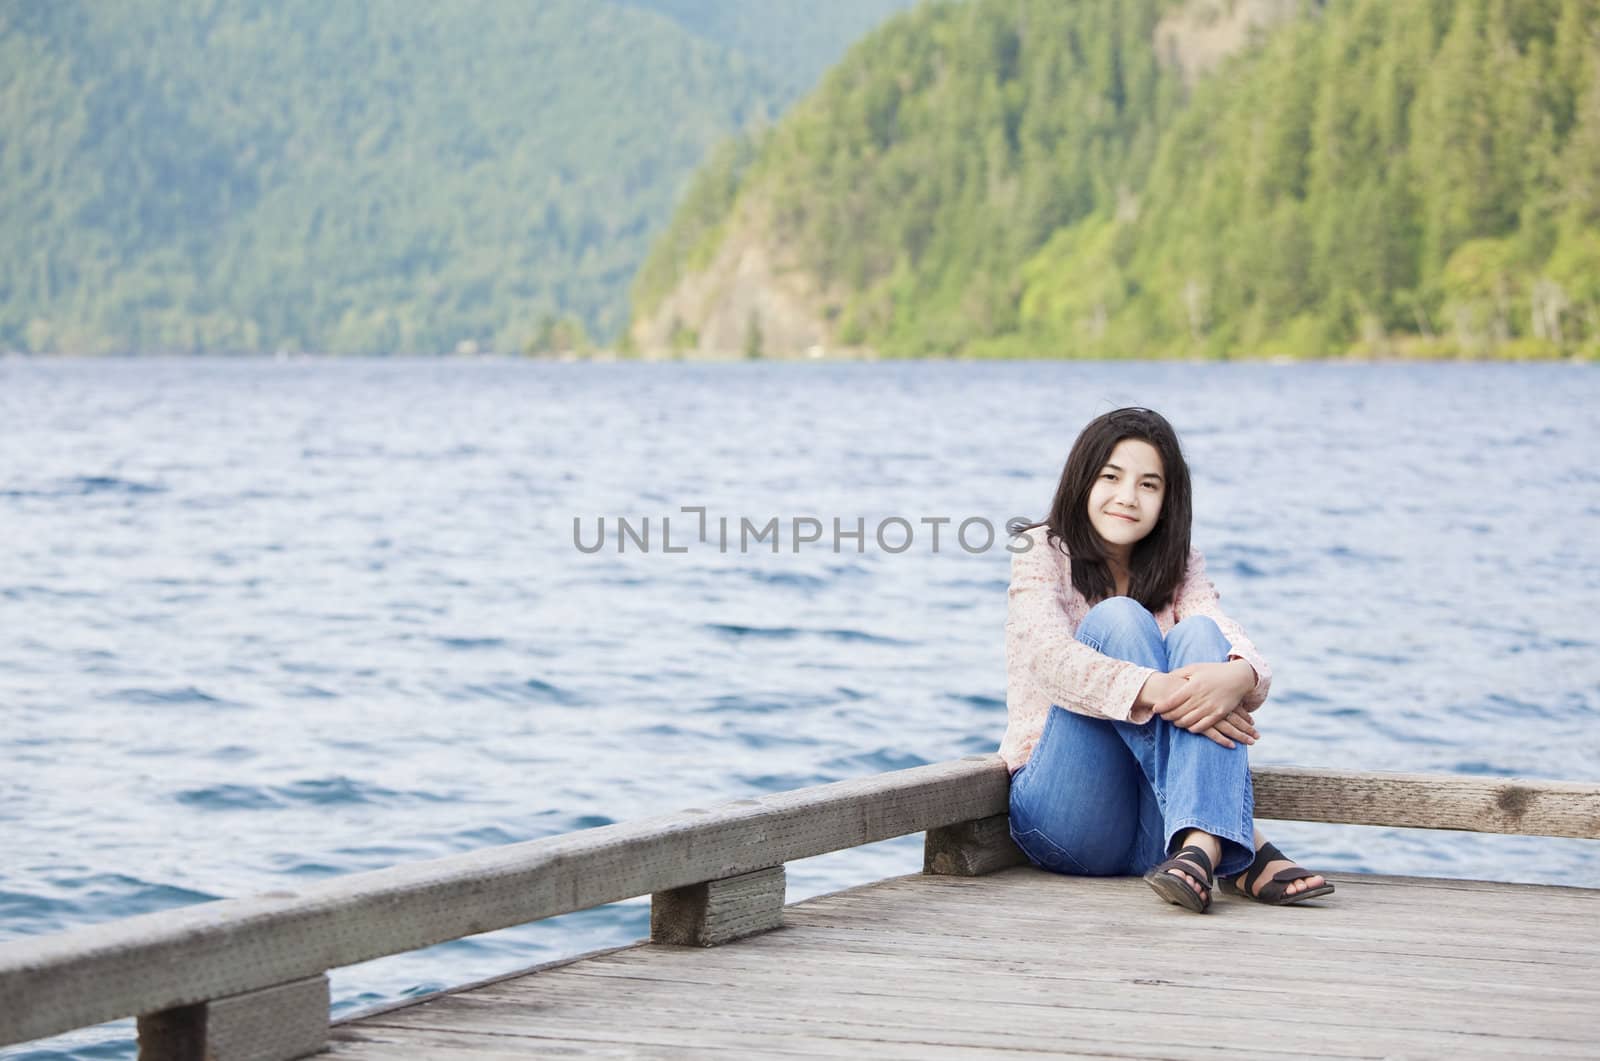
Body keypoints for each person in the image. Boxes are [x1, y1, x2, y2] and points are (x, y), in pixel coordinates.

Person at [999, 407, 1333, 912]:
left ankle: (1201, 846)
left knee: (1199, 634)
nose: (1127, 497)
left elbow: (1222, 629)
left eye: (1148, 485)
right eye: (1111, 477)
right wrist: (1155, 689)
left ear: (1167, 501)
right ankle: (1243, 847)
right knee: (1119, 620)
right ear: (1082, 479)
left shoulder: (1181, 566)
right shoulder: (1041, 549)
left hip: (1163, 837)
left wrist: (1240, 674)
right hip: (1065, 818)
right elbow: (1049, 659)